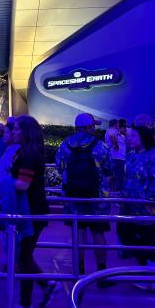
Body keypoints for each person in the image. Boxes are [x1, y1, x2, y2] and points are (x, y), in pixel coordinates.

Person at [2, 115, 56, 308]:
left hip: (31, 212)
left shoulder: (28, 154)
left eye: (16, 129)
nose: (13, 132)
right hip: (29, 211)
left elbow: (23, 185)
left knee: (23, 257)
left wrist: (2, 184)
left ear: (26, 131)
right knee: (24, 256)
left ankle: (26, 307)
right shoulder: (25, 152)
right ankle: (46, 285)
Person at [55, 113, 113, 282]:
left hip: (73, 198)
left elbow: (59, 167)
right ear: (89, 127)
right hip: (96, 199)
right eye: (93, 126)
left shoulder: (65, 145)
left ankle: (78, 270)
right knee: (98, 232)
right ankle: (101, 273)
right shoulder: (100, 146)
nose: (94, 128)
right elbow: (109, 170)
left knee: (78, 232)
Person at [117, 126, 155, 289]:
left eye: (133, 136)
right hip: (129, 208)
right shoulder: (131, 155)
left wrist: (148, 199)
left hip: (148, 210)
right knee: (130, 237)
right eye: (129, 135)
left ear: (143, 137)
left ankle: (153, 279)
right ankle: (148, 275)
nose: (129, 138)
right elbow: (128, 179)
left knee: (149, 242)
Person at [105, 119, 126, 193]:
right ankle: (118, 192)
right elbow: (112, 136)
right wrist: (116, 146)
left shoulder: (111, 131)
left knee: (115, 175)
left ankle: (113, 191)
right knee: (119, 176)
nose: (119, 125)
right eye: (118, 124)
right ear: (116, 124)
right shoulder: (112, 131)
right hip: (118, 157)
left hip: (116, 157)